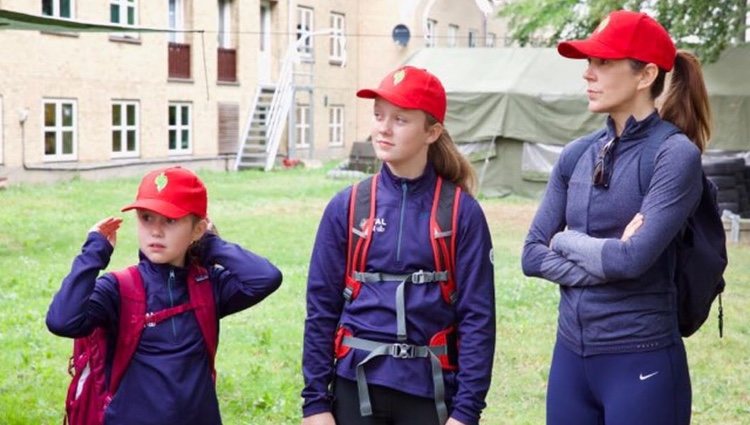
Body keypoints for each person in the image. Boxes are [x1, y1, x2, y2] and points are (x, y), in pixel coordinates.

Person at [522, 10, 713, 425]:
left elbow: (632, 260)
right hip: (570, 358)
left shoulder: (674, 156)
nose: (588, 73)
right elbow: (530, 255)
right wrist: (608, 257)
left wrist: (565, 240)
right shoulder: (576, 155)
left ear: (645, 75)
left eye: (603, 62)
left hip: (641, 360)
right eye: (589, 62)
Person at [301, 66, 496, 425]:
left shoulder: (461, 214)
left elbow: (478, 319)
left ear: (432, 131)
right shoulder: (346, 207)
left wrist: (467, 412)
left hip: (429, 391)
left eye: (400, 119)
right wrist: (315, 404)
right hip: (353, 386)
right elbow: (320, 309)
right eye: (378, 116)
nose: (383, 128)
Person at [46, 166, 283, 424]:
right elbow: (62, 320)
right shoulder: (119, 288)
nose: (155, 231)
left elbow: (265, 278)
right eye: (146, 218)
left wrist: (208, 244)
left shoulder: (207, 285)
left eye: (170, 220)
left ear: (197, 229)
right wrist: (94, 252)